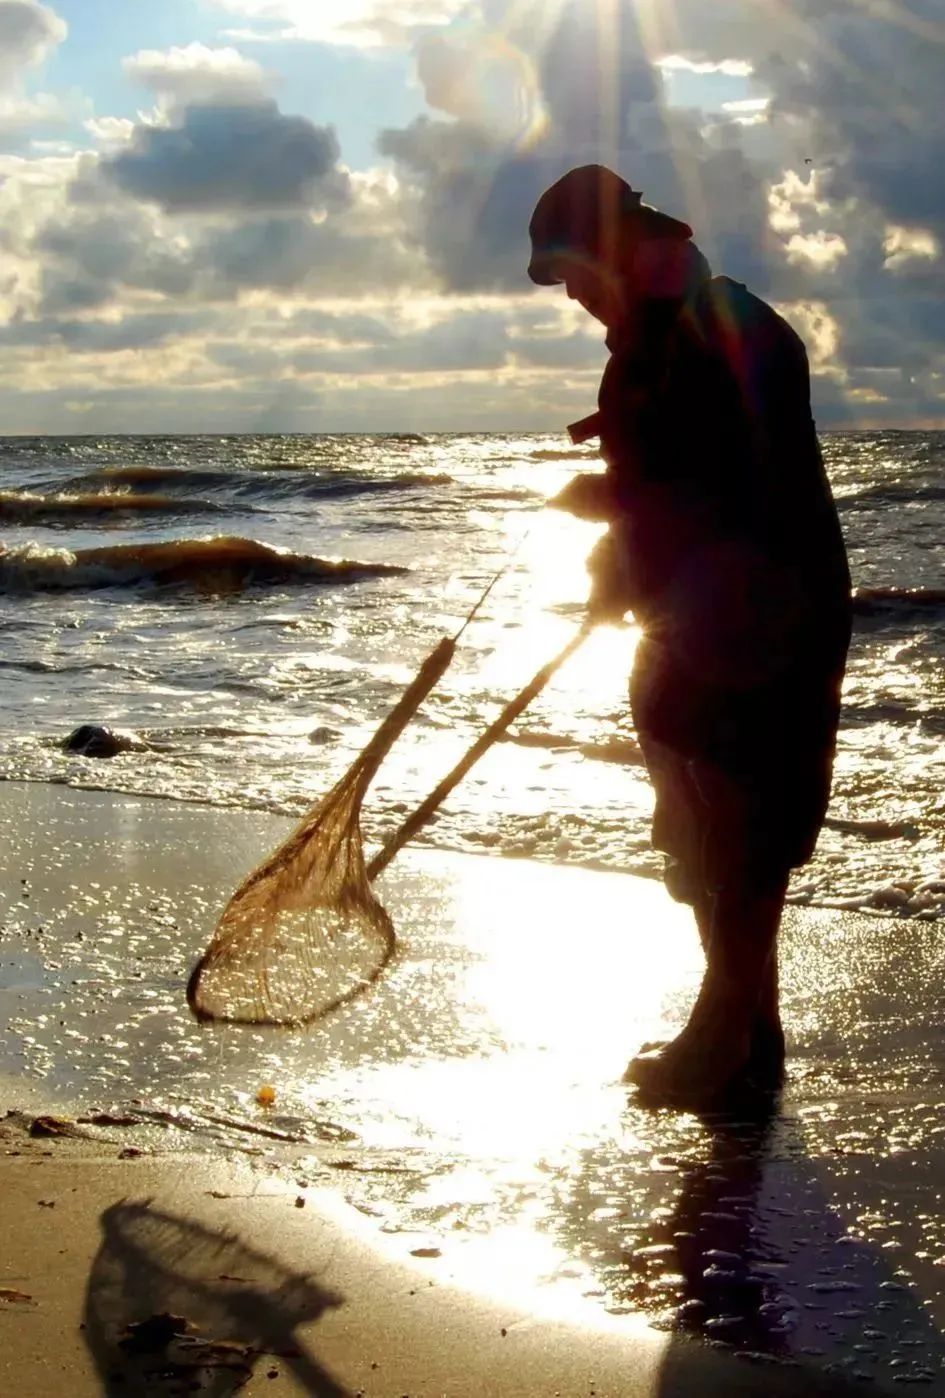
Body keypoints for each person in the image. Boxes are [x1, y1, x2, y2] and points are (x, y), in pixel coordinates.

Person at [527, 165, 851, 1108]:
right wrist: (614, 546)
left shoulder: (728, 325)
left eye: (580, 277)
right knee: (700, 826)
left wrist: (614, 496)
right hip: (685, 621)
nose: (580, 301)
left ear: (622, 252)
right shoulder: (650, 337)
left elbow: (742, 480)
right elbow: (663, 469)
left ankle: (721, 1035)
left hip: (764, 617)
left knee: (746, 827)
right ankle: (748, 1034)